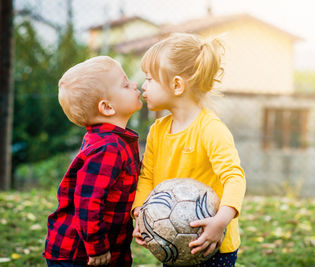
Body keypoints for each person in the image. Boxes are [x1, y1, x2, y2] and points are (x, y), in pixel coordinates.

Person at [132, 33, 246, 267]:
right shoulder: (157, 130)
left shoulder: (211, 129)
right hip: (172, 244)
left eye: (150, 79)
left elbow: (234, 178)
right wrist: (140, 215)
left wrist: (220, 222)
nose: (143, 86)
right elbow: (146, 177)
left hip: (212, 246)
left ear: (176, 85)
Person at [43, 56, 142, 267]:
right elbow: (88, 202)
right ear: (107, 107)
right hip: (78, 255)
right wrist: (97, 248)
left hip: (107, 248)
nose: (135, 85)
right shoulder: (108, 148)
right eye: (125, 84)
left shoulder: (112, 140)